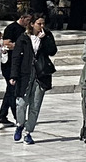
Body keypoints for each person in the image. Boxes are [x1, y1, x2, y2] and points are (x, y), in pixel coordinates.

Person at [15, 14, 59, 142]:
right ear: (32, 24)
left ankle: (28, 132)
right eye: (39, 24)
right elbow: (16, 57)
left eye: (43, 24)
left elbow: (52, 51)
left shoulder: (47, 35)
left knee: (35, 105)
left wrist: (44, 40)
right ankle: (20, 124)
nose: (42, 26)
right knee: (21, 103)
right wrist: (14, 75)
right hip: (26, 74)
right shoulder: (24, 38)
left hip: (41, 75)